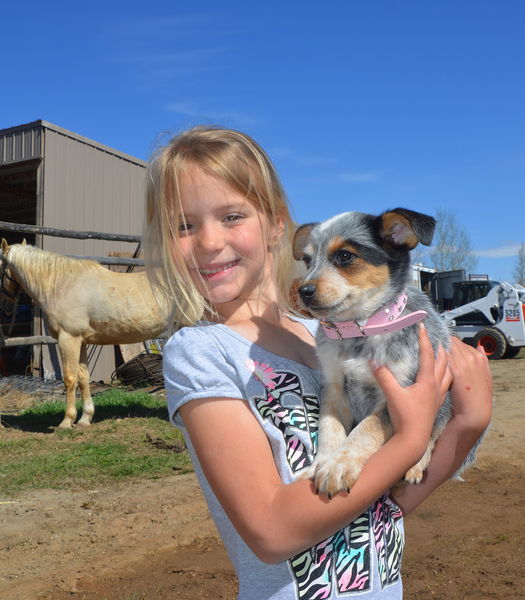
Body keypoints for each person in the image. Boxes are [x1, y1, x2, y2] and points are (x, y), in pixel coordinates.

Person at [143, 126, 492, 599]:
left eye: (231, 216)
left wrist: (467, 423)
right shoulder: (200, 352)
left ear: (277, 226)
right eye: (184, 225)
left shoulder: (323, 336)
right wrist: (409, 437)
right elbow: (272, 534)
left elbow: (385, 507)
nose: (208, 241)